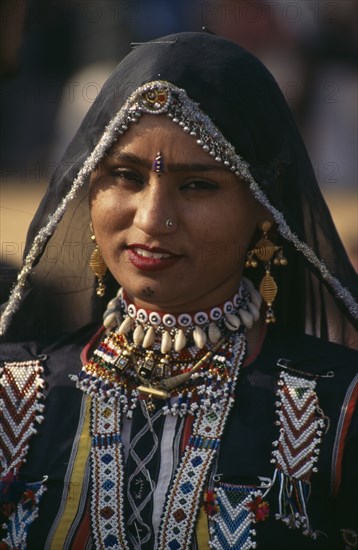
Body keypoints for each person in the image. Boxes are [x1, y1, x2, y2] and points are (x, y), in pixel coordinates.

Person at [0, 32, 357, 550]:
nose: (152, 218)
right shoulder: (14, 394)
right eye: (124, 175)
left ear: (263, 203)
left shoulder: (338, 409)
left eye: (197, 186)